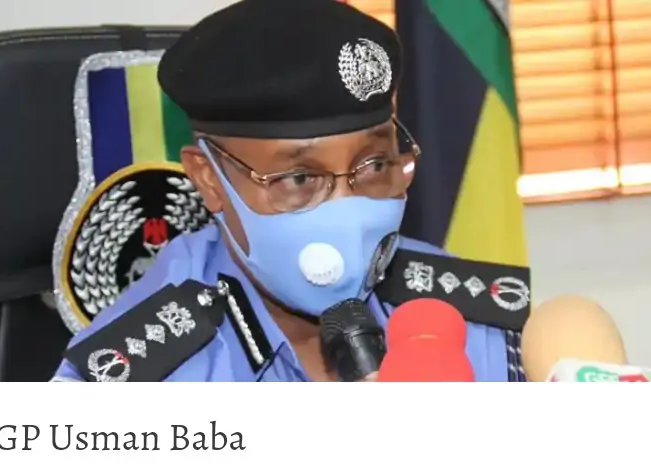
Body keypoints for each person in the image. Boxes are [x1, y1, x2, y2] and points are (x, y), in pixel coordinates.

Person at [52, 0, 528, 382]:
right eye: (299, 178)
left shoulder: (464, 317)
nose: (348, 209)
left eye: (374, 165)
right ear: (209, 179)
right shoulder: (145, 373)